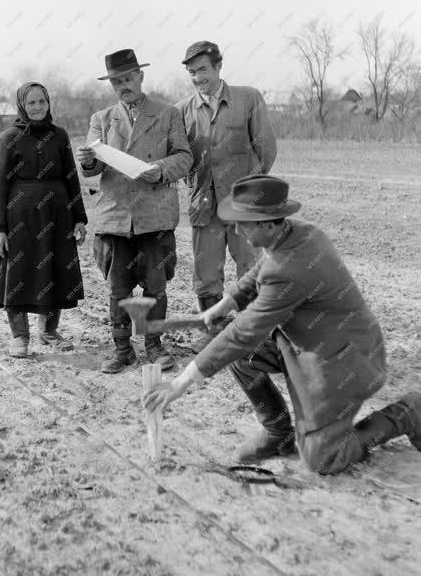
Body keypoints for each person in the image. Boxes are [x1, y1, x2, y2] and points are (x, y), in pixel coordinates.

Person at [144, 174, 421, 475]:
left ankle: (409, 412)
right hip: (306, 343)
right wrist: (227, 303)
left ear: (267, 223)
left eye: (243, 223)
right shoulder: (297, 232)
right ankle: (279, 433)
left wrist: (178, 384)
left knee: (322, 458)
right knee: (239, 353)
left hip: (341, 359)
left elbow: (243, 332)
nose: (236, 229)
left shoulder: (289, 269)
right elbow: (263, 267)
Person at [76, 49, 193, 374]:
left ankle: (154, 346)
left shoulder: (168, 114)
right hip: (115, 217)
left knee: (156, 287)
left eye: (128, 78)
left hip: (153, 216)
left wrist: (161, 169)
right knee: (118, 289)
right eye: (117, 81)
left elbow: (185, 156)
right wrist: (87, 159)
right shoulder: (100, 119)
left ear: (141, 76)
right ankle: (122, 347)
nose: (123, 85)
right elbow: (90, 168)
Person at [0, 82, 87, 358]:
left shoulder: (60, 136)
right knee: (17, 274)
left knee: (54, 272)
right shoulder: (9, 137)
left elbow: (72, 178)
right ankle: (20, 337)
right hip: (20, 218)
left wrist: (79, 218)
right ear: (22, 106)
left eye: (42, 101)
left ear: (49, 103)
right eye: (32, 103)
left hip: (57, 216)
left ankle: (49, 331)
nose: (38, 107)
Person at [175, 41, 277, 313]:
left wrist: (249, 193)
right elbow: (178, 158)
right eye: (193, 73)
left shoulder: (248, 99)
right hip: (203, 207)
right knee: (206, 276)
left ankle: (255, 339)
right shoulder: (181, 110)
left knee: (251, 270)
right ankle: (214, 336)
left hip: (244, 207)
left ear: (219, 65)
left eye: (203, 70)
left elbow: (266, 150)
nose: (198, 78)